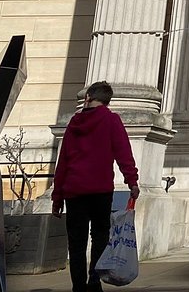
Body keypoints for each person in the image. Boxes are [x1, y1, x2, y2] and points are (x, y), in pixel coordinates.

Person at [52, 81, 140, 292]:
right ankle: (94, 281)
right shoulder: (111, 120)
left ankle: (78, 286)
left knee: (76, 242)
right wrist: (132, 181)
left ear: (88, 97)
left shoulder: (74, 123)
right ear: (107, 100)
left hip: (74, 190)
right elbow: (123, 153)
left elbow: (62, 162)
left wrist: (57, 198)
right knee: (100, 236)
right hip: (100, 190)